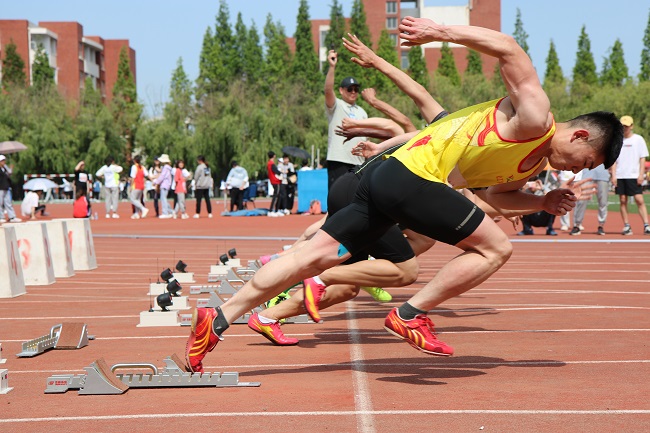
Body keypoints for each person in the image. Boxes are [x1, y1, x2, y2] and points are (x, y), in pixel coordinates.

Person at [185, 19, 623, 373]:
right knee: (496, 249)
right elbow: (509, 48)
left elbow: (497, 198)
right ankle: (410, 314)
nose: (577, 171)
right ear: (580, 135)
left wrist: (542, 203)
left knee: (311, 257)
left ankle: (217, 319)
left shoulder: (531, 166)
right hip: (413, 176)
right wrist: (441, 33)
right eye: (585, 161)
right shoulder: (536, 118)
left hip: (385, 179)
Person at [324, 50, 367, 190]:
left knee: (356, 198)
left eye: (356, 89)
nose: (353, 92)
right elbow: (328, 90)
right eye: (350, 89)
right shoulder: (336, 105)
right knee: (337, 198)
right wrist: (332, 67)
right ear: (341, 90)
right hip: (339, 160)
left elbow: (367, 138)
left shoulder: (362, 112)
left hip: (358, 162)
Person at [610, 115, 649, 235]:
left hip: (634, 175)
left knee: (639, 199)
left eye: (626, 126)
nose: (624, 128)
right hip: (621, 175)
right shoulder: (617, 141)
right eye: (622, 126)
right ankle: (627, 226)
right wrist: (613, 175)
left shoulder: (638, 139)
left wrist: (641, 174)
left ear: (631, 126)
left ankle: (646, 225)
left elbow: (642, 158)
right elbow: (614, 160)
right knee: (623, 200)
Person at [571, 164, 610, 235]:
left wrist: (613, 174)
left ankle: (601, 225)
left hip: (603, 175)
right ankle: (577, 225)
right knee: (581, 201)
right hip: (587, 174)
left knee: (603, 202)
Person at [0, 155, 21, 223]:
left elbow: (9, 173)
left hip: (6, 187)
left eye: (4, 160)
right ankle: (1, 217)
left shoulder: (5, 168)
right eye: (2, 161)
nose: (3, 162)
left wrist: (11, 168)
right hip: (0, 188)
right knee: (0, 203)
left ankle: (12, 217)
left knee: (8, 202)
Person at [129, 155, 149, 219]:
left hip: (136, 185)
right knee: (137, 200)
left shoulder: (134, 167)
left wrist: (131, 186)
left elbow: (133, 177)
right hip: (141, 186)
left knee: (133, 199)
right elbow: (147, 175)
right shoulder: (142, 167)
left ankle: (143, 209)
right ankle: (136, 213)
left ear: (134, 160)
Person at [153, 154, 173, 219]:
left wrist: (156, 182)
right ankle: (171, 211)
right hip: (166, 184)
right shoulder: (167, 167)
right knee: (164, 199)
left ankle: (165, 213)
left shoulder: (165, 168)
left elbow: (162, 176)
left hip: (164, 185)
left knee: (163, 199)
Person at [266, 151, 283, 217]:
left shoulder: (269, 163)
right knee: (276, 196)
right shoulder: (271, 164)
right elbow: (276, 171)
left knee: (278, 195)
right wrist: (281, 172)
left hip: (274, 180)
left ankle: (276, 210)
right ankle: (271, 211)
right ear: (274, 156)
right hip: (275, 181)